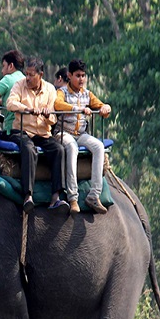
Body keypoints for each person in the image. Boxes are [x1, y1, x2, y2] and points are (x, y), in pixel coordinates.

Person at [5, 57, 68, 214]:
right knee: (29, 149)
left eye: (31, 75)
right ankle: (28, 195)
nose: (27, 78)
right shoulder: (19, 85)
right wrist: (28, 109)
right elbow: (10, 103)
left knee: (59, 149)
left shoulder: (50, 90)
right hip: (22, 130)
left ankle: (56, 196)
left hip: (42, 132)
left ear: (40, 75)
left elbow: (53, 119)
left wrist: (47, 115)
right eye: (26, 74)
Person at [54, 59, 112, 214]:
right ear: (69, 75)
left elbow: (100, 105)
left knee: (99, 146)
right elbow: (58, 105)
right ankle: (72, 197)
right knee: (72, 148)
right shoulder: (62, 92)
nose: (81, 79)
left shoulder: (87, 94)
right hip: (63, 133)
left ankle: (94, 195)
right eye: (78, 76)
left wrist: (106, 108)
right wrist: (77, 108)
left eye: (83, 76)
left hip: (80, 134)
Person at [0, 50, 25, 140]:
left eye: (3, 66)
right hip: (27, 130)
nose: (2, 71)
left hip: (11, 130)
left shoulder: (8, 79)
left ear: (11, 66)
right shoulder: (26, 79)